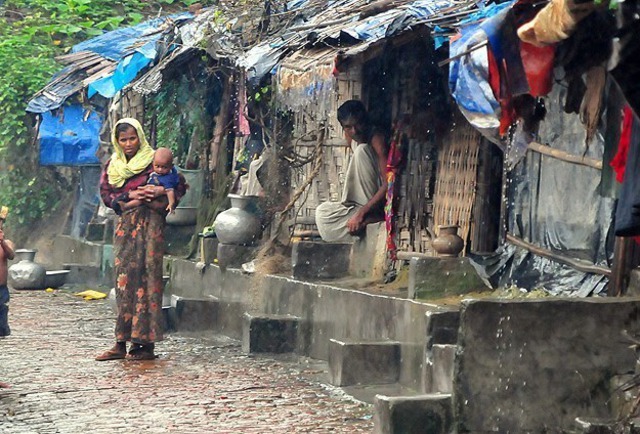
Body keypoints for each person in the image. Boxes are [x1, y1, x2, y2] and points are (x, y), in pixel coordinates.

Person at [96, 118, 186, 361]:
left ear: (141, 138)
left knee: (149, 280)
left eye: (132, 138)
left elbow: (179, 185)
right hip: (126, 228)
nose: (128, 144)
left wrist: (159, 193)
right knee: (124, 281)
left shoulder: (155, 160)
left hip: (152, 227)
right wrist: (130, 194)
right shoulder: (113, 166)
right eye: (123, 139)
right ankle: (120, 343)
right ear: (117, 141)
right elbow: (107, 195)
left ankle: (145, 346)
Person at [315, 100, 389, 242]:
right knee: (322, 213)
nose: (354, 131)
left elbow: (388, 184)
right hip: (355, 207)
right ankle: (361, 222)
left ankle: (370, 218)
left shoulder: (376, 139)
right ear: (343, 127)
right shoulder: (350, 135)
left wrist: (362, 212)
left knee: (362, 150)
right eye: (348, 127)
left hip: (374, 203)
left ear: (364, 120)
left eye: (358, 124)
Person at [121, 147, 180, 214]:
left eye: (164, 167)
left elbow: (170, 191)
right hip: (147, 193)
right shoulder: (154, 173)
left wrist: (171, 203)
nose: (160, 170)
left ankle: (126, 206)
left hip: (157, 199)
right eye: (157, 166)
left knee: (141, 200)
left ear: (171, 166)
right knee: (140, 197)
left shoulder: (167, 178)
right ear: (153, 163)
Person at [0, 225, 15, 338]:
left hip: (2, 288)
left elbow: (11, 256)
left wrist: (2, 242)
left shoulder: (7, 243)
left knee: (3, 311)